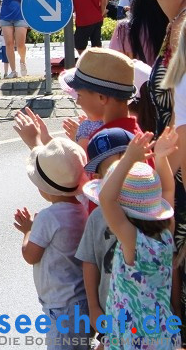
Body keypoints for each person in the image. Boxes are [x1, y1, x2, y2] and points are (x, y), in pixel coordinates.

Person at [91, 131, 179, 350]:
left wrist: (129, 159)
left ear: (123, 212)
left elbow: (107, 199)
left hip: (136, 340)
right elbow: (168, 189)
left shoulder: (134, 243)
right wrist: (161, 157)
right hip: (162, 333)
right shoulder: (166, 232)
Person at [13, 138, 89, 349]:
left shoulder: (48, 217)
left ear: (44, 189)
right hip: (81, 298)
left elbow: (31, 255)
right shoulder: (84, 206)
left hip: (59, 305)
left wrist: (28, 230)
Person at [75, 127, 132, 348]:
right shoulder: (97, 217)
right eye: (106, 171)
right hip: (109, 312)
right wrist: (93, 307)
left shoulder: (150, 212)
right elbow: (90, 261)